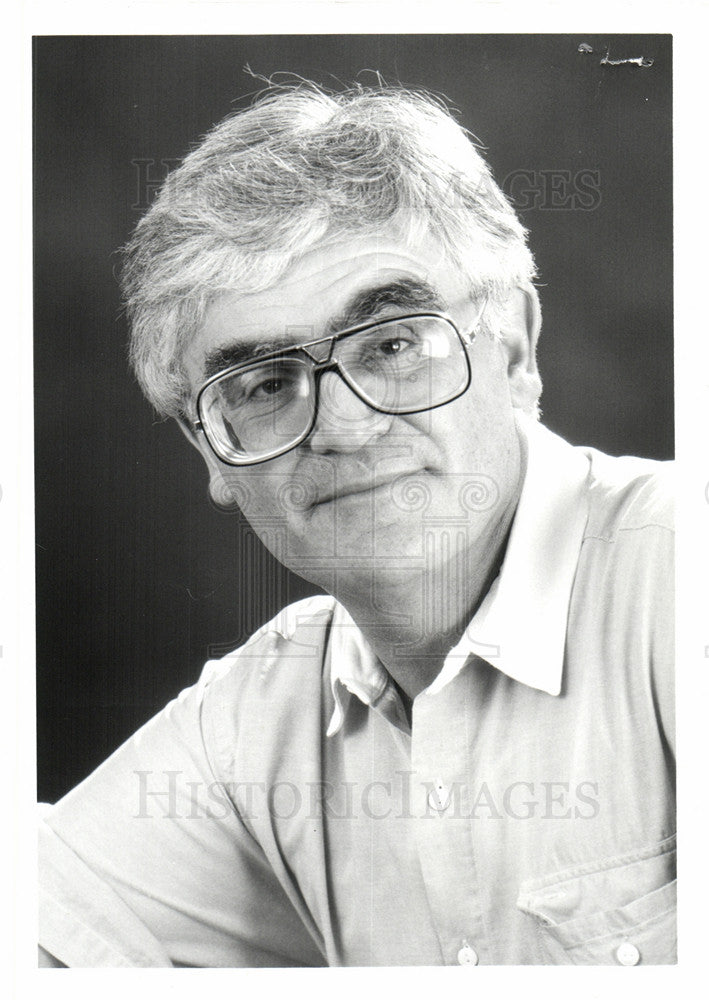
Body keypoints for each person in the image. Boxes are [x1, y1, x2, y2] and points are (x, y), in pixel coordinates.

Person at [38, 81, 675, 968]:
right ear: (210, 455)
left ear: (516, 350)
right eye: (261, 386)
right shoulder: (254, 722)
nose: (341, 425)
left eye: (393, 344)